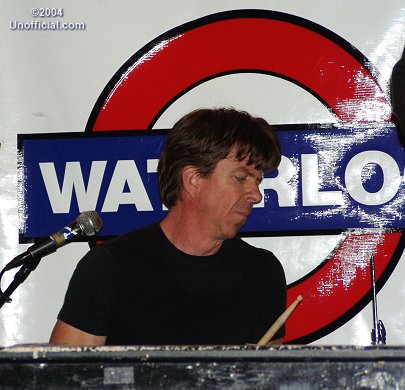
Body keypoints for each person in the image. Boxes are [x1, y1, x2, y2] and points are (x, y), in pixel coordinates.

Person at [49, 107, 287, 346]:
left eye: (257, 181)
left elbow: (273, 380)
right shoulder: (110, 267)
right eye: (240, 178)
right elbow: (65, 377)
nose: (256, 195)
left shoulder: (262, 273)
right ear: (193, 179)